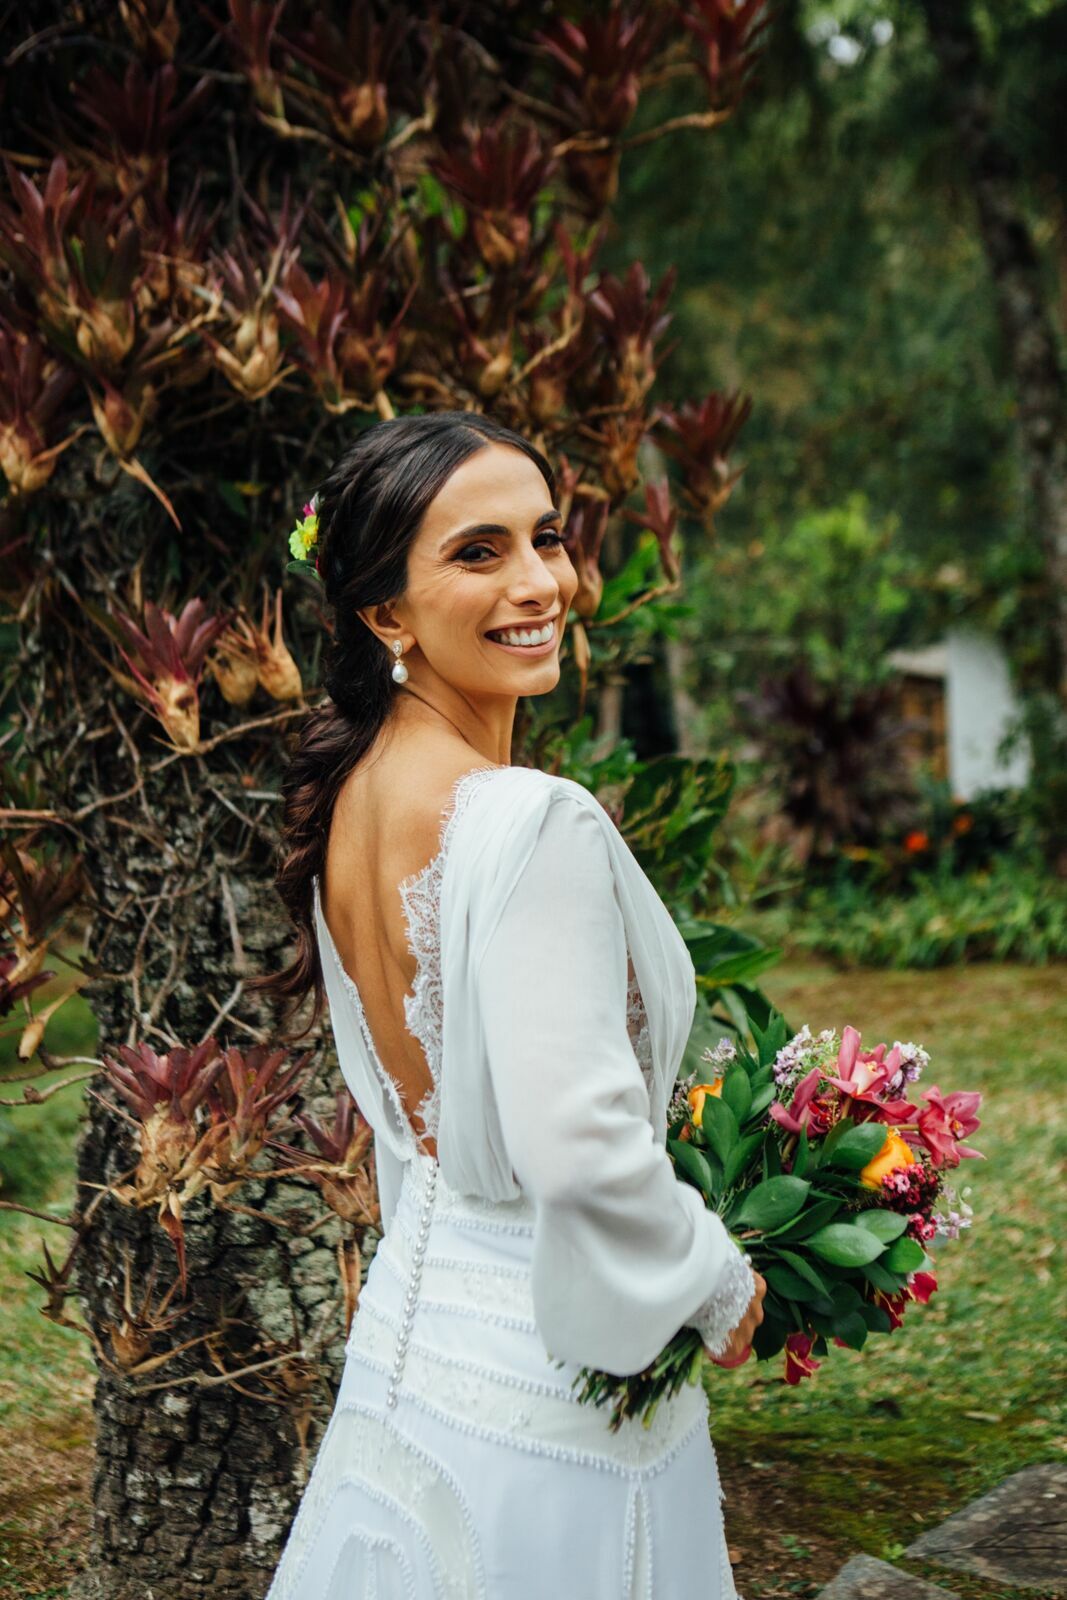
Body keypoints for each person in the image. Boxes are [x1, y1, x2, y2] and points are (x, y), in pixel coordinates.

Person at [261, 412, 767, 1600]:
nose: (539, 580)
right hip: (553, 1394)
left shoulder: (353, 797)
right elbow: (580, 1147)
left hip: (410, 1354)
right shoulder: (529, 819)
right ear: (384, 610)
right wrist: (718, 1281)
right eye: (477, 552)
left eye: (545, 538)